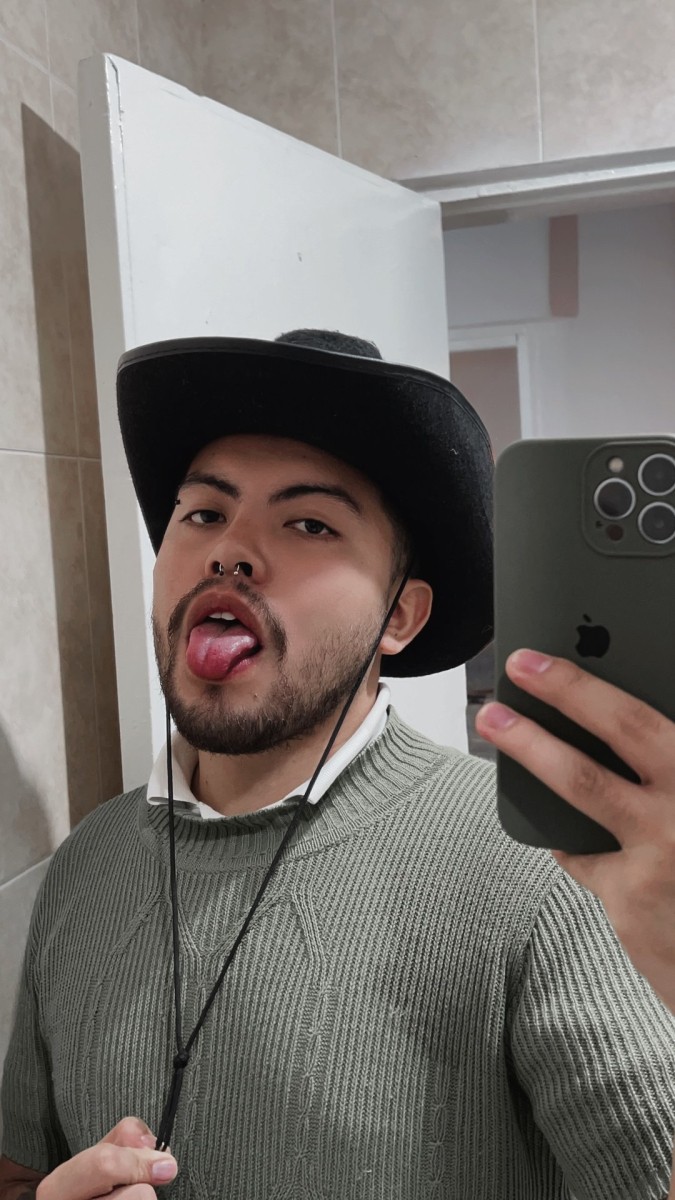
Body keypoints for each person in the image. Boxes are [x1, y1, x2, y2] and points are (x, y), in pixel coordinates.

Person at [1, 329, 674, 1200]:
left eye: (309, 523)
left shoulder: (543, 871)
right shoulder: (87, 860)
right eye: (202, 513)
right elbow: (20, 1168)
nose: (229, 550)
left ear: (400, 617)